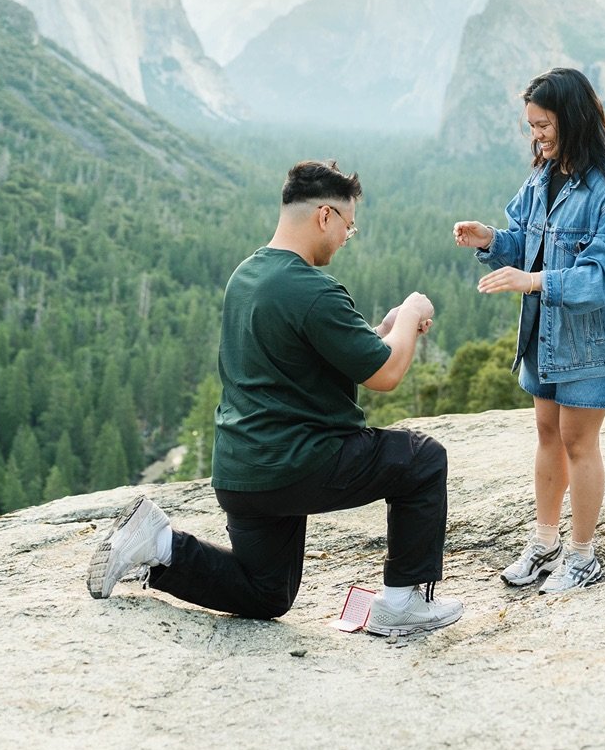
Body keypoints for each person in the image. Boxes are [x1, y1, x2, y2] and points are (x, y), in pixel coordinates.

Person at [87, 159, 462, 637]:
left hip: (244, 473)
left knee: (267, 594)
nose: (348, 237)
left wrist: (383, 331)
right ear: (325, 216)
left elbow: (316, 353)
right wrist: (411, 313)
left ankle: (159, 545)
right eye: (349, 226)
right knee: (423, 460)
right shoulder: (311, 288)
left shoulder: (249, 275)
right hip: (298, 464)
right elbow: (386, 373)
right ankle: (403, 604)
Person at [453, 68, 605, 594]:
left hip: (595, 337)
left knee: (578, 440)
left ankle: (583, 556)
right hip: (548, 332)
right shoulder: (544, 175)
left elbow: (603, 279)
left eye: (543, 125)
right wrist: (491, 238)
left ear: (572, 119)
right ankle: (545, 545)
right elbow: (525, 241)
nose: (535, 135)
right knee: (547, 433)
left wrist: (534, 280)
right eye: (531, 126)